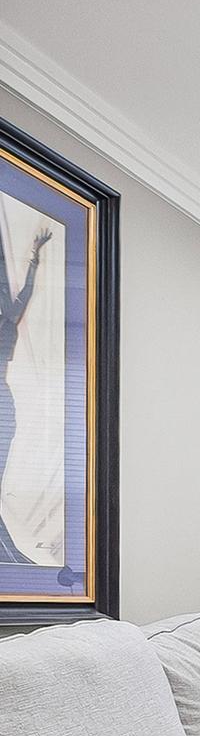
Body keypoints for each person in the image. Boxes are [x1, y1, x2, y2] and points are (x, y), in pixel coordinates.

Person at [0, 223, 54, 565]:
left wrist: (35, 255)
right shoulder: (9, 320)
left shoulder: (9, 319)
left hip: (4, 402)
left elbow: (27, 292)